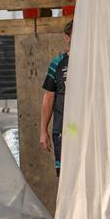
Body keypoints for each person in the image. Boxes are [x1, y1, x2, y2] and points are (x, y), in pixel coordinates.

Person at [39, 21, 72, 176]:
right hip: (65, 130)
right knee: (65, 174)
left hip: (89, 128)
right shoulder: (58, 63)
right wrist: (43, 131)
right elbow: (48, 97)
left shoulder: (92, 61)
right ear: (67, 37)